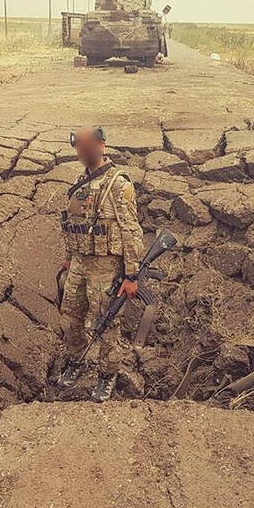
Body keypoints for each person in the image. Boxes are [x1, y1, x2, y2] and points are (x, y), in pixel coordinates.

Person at [56, 126, 145, 402]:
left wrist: (131, 275)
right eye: (79, 148)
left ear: (101, 146)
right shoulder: (79, 181)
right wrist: (70, 259)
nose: (83, 153)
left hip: (106, 267)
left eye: (87, 147)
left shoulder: (119, 184)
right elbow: (73, 225)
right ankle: (76, 360)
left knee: (106, 324)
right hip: (80, 264)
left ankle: (107, 375)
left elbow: (131, 231)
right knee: (70, 317)